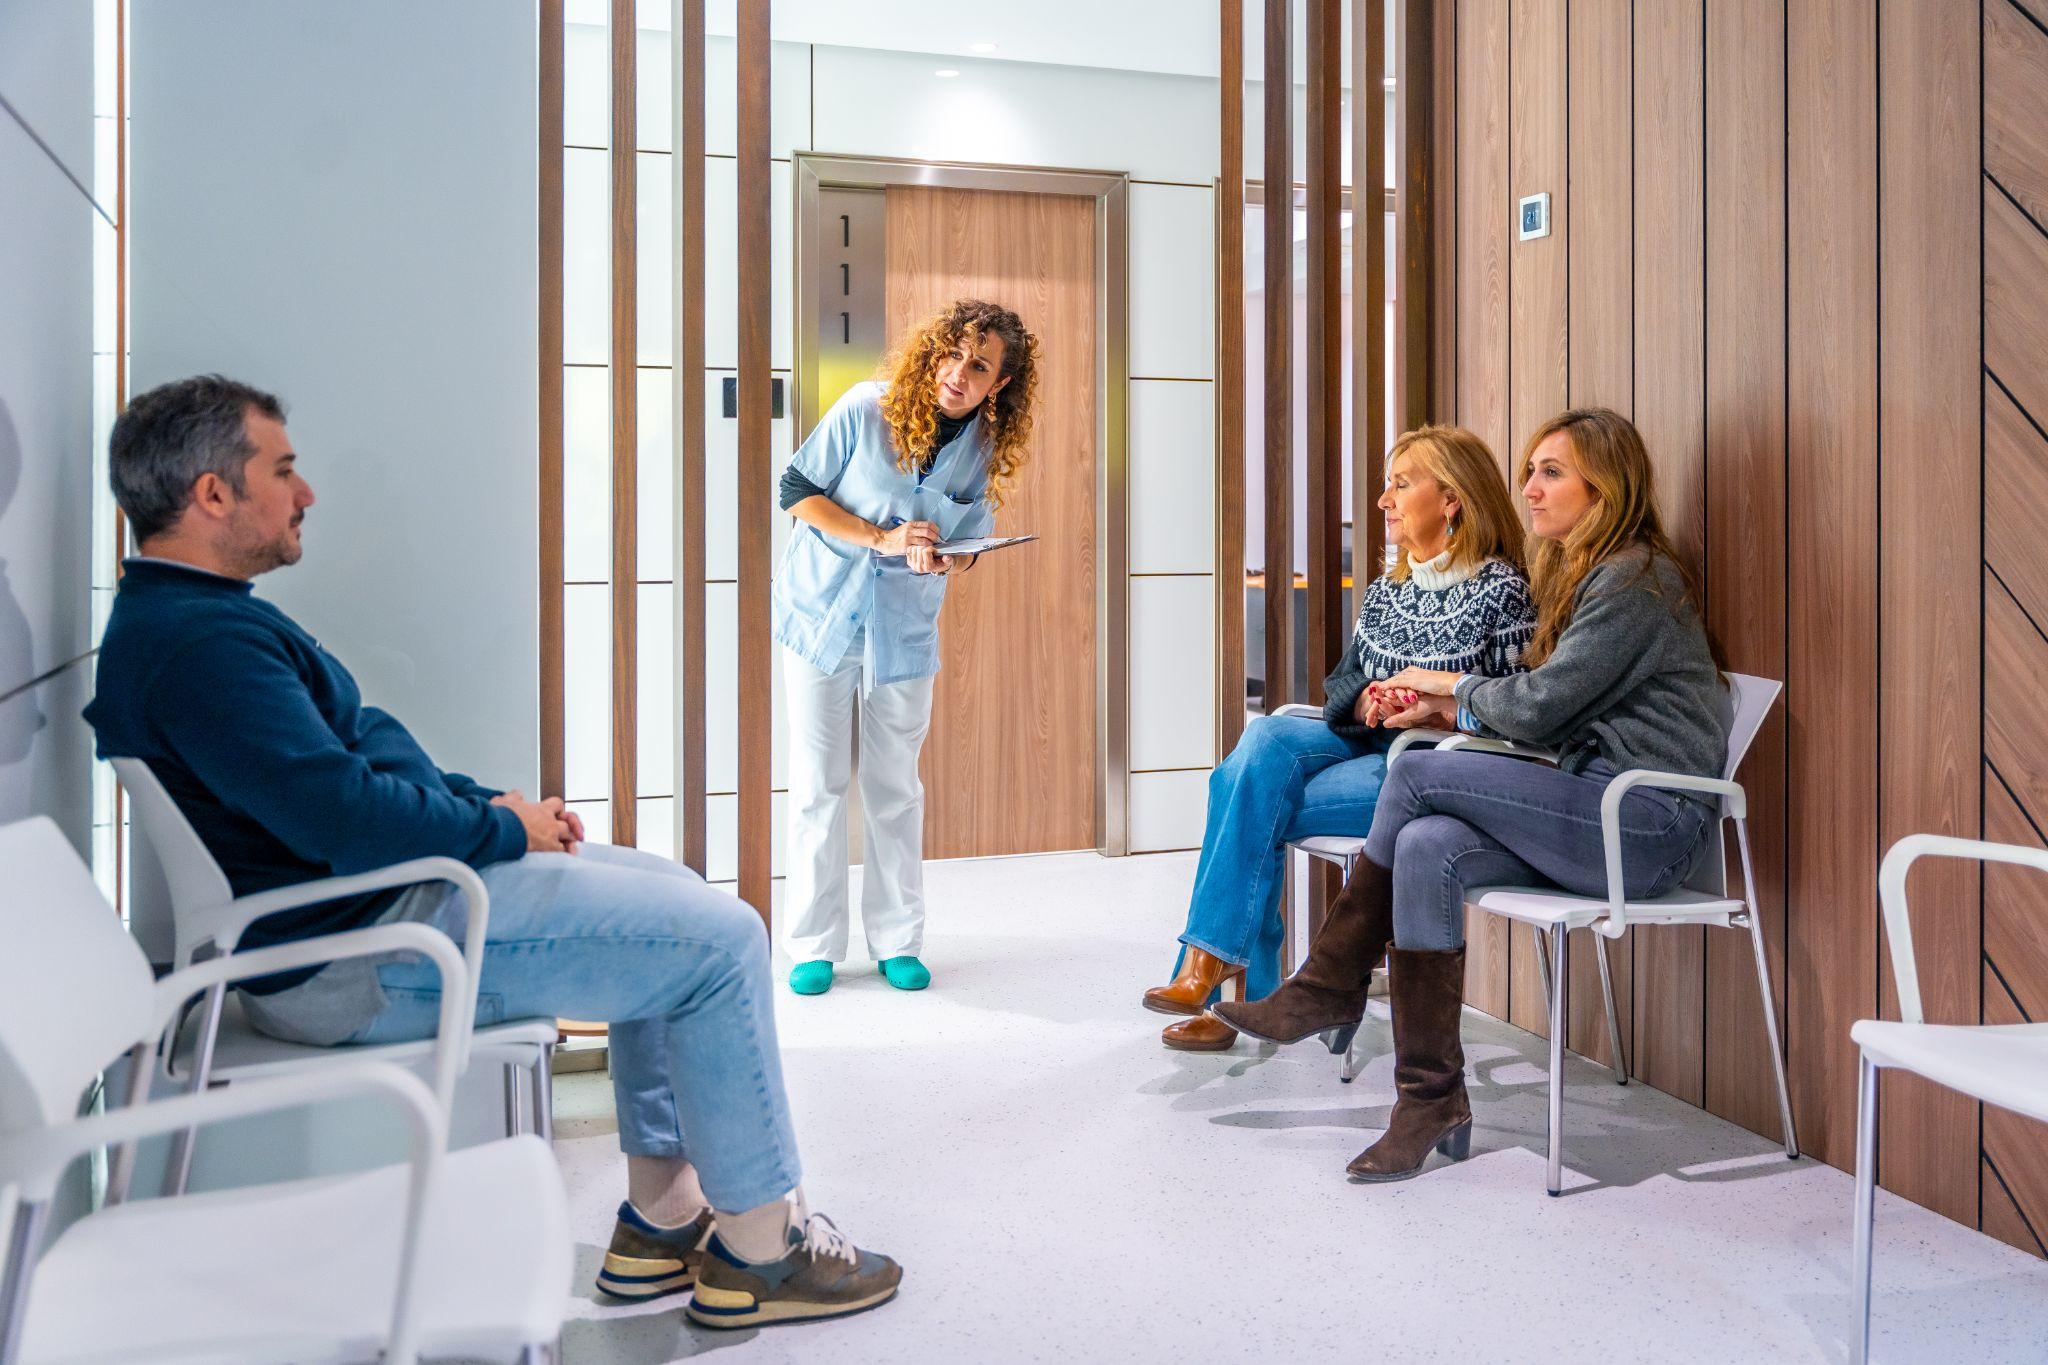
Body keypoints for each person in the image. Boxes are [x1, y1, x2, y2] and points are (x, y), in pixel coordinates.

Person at [84, 375, 901, 1329]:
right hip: (366, 951)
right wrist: (504, 827)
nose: (306, 493)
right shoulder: (199, 647)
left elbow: (349, 779)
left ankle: (660, 1225)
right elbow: (343, 818)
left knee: (681, 896)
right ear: (212, 494)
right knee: (720, 941)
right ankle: (762, 1250)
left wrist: (492, 807)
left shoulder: (196, 618)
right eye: (284, 469)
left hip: (389, 902)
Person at [1212, 407, 1729, 1183]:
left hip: (1646, 823)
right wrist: (1442, 709)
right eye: (1529, 470)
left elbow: (1540, 704)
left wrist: (1440, 686)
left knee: (1414, 769)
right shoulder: (1580, 571)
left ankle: (1329, 979)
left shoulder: (1634, 578)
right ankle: (1430, 1099)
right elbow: (1537, 701)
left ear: (1607, 484)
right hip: (1585, 800)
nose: (1530, 488)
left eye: (1552, 472)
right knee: (1424, 843)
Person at [1141, 425, 1534, 1052]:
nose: (1383, 501)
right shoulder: (1388, 590)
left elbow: (1520, 707)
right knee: (1264, 738)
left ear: (1452, 499)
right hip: (1365, 743)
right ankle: (1230, 981)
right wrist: (1370, 698)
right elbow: (1340, 687)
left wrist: (1436, 708)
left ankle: (1217, 979)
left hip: (1428, 771)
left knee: (1242, 797)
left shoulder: (1502, 591)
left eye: (1401, 485)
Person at [773, 298, 1040, 996]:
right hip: (822, 615)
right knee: (818, 785)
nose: (959, 372)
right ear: (934, 350)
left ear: (999, 385)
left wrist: (951, 558)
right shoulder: (866, 409)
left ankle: (896, 939)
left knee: (894, 788)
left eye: (979, 366)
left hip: (904, 629)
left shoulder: (982, 447)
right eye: (953, 353)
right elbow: (795, 488)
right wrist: (880, 537)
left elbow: (966, 533)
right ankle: (812, 944)